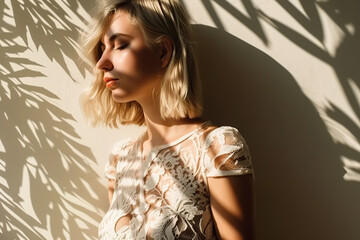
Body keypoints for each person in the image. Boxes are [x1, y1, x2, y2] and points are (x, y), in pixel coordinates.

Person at [80, 0, 255, 239]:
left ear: (163, 52)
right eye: (102, 49)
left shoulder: (217, 147)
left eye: (120, 45)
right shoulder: (120, 160)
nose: (102, 63)